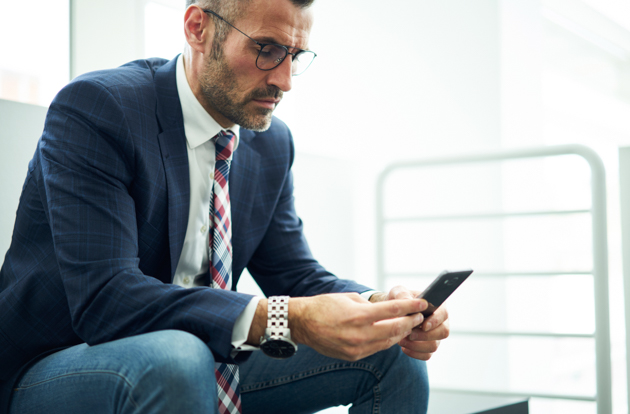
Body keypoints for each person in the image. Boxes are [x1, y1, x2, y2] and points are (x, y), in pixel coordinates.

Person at [0, 0, 450, 412]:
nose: (284, 80)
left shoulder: (270, 143)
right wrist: (284, 318)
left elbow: (296, 275)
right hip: (53, 367)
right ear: (198, 28)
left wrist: (379, 307)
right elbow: (107, 299)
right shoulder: (100, 108)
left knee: (388, 351)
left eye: (295, 56)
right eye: (267, 49)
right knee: (178, 355)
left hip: (196, 360)